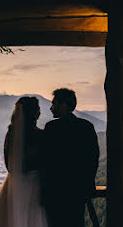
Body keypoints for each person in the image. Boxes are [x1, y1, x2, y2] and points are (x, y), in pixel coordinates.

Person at [0, 97, 48, 227]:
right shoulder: (41, 135)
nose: (40, 111)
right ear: (34, 112)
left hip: (13, 184)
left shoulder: (11, 134)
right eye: (38, 108)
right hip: (34, 186)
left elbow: (9, 163)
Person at [41, 88, 100, 227]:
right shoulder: (87, 127)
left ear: (63, 105)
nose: (51, 108)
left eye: (53, 104)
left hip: (55, 194)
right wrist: (86, 186)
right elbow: (93, 160)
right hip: (78, 194)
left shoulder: (51, 128)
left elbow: (45, 161)